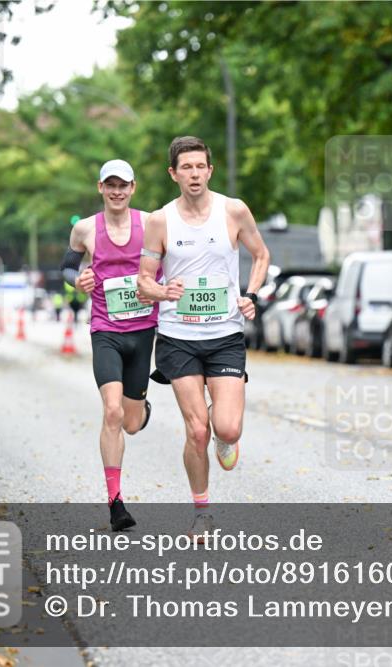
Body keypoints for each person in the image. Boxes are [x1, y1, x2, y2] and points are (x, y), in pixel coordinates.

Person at [138, 136, 270, 540]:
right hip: (178, 336)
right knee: (197, 430)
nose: (194, 174)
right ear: (173, 174)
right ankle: (202, 511)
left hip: (225, 334)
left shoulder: (233, 210)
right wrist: (163, 292)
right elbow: (144, 282)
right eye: (186, 168)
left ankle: (223, 432)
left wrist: (250, 296)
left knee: (226, 429)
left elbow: (261, 255)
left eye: (200, 166)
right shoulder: (160, 220)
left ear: (210, 170)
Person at [62, 159, 159, 531]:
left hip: (143, 329)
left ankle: (142, 408)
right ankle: (115, 502)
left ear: (133, 188)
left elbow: (171, 261)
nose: (117, 191)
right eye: (110, 185)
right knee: (112, 412)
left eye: (124, 185)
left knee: (131, 422)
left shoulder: (151, 223)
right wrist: (78, 281)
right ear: (100, 187)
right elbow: (68, 267)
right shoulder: (85, 229)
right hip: (105, 330)